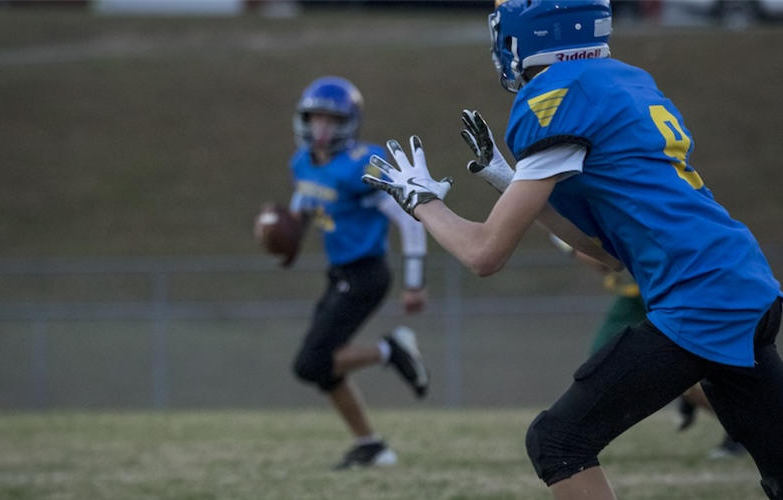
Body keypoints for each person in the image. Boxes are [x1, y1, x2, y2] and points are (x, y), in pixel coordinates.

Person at [362, 1, 783, 498]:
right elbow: (606, 251)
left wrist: (422, 202)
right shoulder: (622, 79)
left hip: (701, 300)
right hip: (743, 282)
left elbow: (484, 255)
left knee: (558, 441)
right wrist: (509, 180)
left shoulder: (557, 96)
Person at [254, 76, 431, 470]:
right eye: (316, 118)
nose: (322, 128)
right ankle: (371, 446)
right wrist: (275, 228)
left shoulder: (361, 165)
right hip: (339, 274)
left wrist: (414, 281)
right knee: (324, 370)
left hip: (367, 274)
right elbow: (302, 211)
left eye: (331, 119)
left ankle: (392, 349)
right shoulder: (302, 163)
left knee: (310, 364)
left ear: (348, 122)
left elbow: (409, 218)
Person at [552, 234, 748, 459]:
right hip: (642, 294)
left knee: (680, 367)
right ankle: (693, 395)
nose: (579, 257)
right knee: (604, 356)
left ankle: (742, 426)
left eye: (576, 251)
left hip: (666, 290)